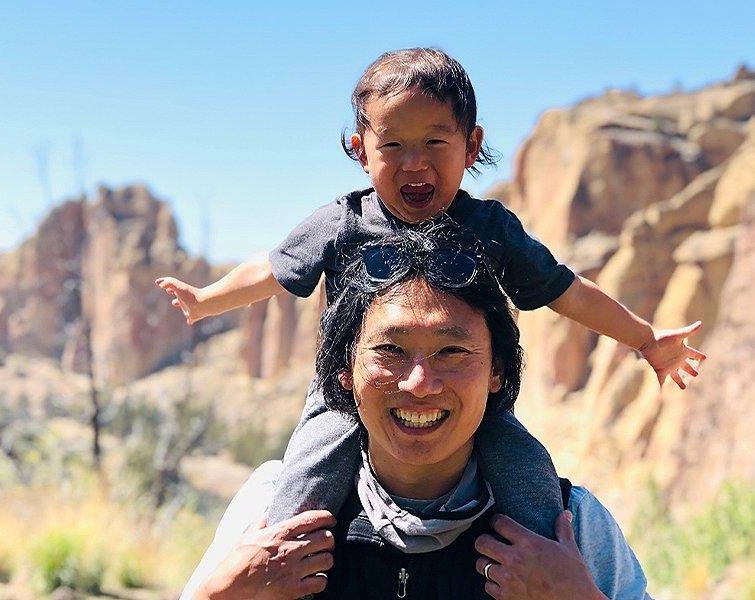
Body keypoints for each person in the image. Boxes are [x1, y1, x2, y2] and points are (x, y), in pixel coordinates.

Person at [156, 48, 704, 540]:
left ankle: (542, 569)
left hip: (466, 394)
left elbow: (565, 290)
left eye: (434, 143)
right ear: (361, 150)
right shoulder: (342, 223)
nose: (414, 162)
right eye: (392, 144)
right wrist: (208, 300)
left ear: (471, 146)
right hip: (347, 391)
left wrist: (645, 339)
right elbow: (274, 269)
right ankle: (282, 573)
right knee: (303, 484)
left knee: (530, 475)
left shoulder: (491, 228)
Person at [180, 226, 650, 599]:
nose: (420, 383)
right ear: (344, 370)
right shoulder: (271, 509)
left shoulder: (570, 525)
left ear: (497, 372)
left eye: (452, 351)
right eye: (391, 350)